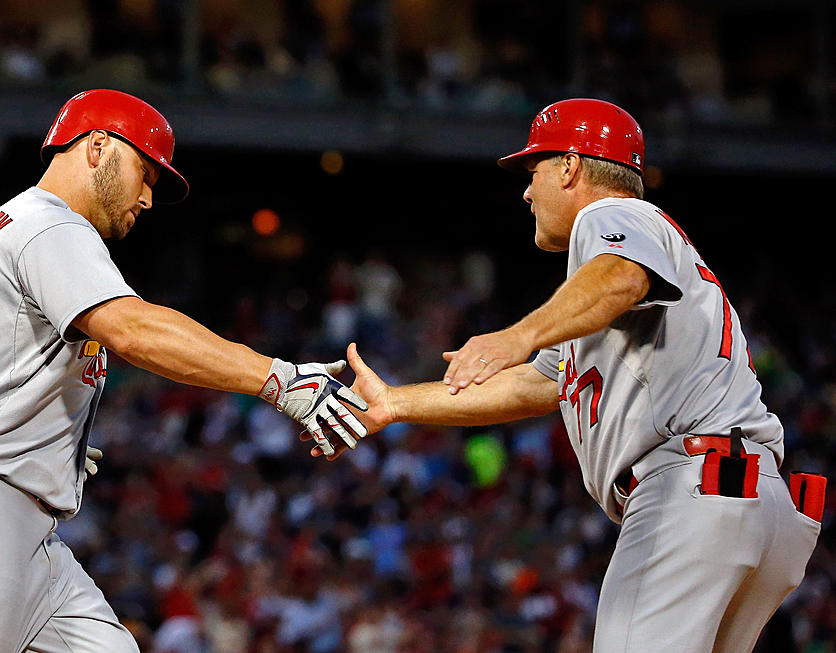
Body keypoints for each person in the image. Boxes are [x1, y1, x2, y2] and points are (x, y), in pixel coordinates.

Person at [310, 98, 823, 652]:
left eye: (534, 172)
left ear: (571, 167)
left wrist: (515, 335)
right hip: (751, 498)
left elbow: (621, 277)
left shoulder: (613, 216)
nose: (527, 193)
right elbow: (536, 384)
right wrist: (396, 403)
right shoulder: (605, 301)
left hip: (692, 488)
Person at [0, 88, 366, 653]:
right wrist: (278, 380)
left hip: (19, 527)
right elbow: (134, 330)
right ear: (97, 146)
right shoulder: (50, 225)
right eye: (146, 171)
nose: (148, 197)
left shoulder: (3, 230)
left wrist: (22, 425)